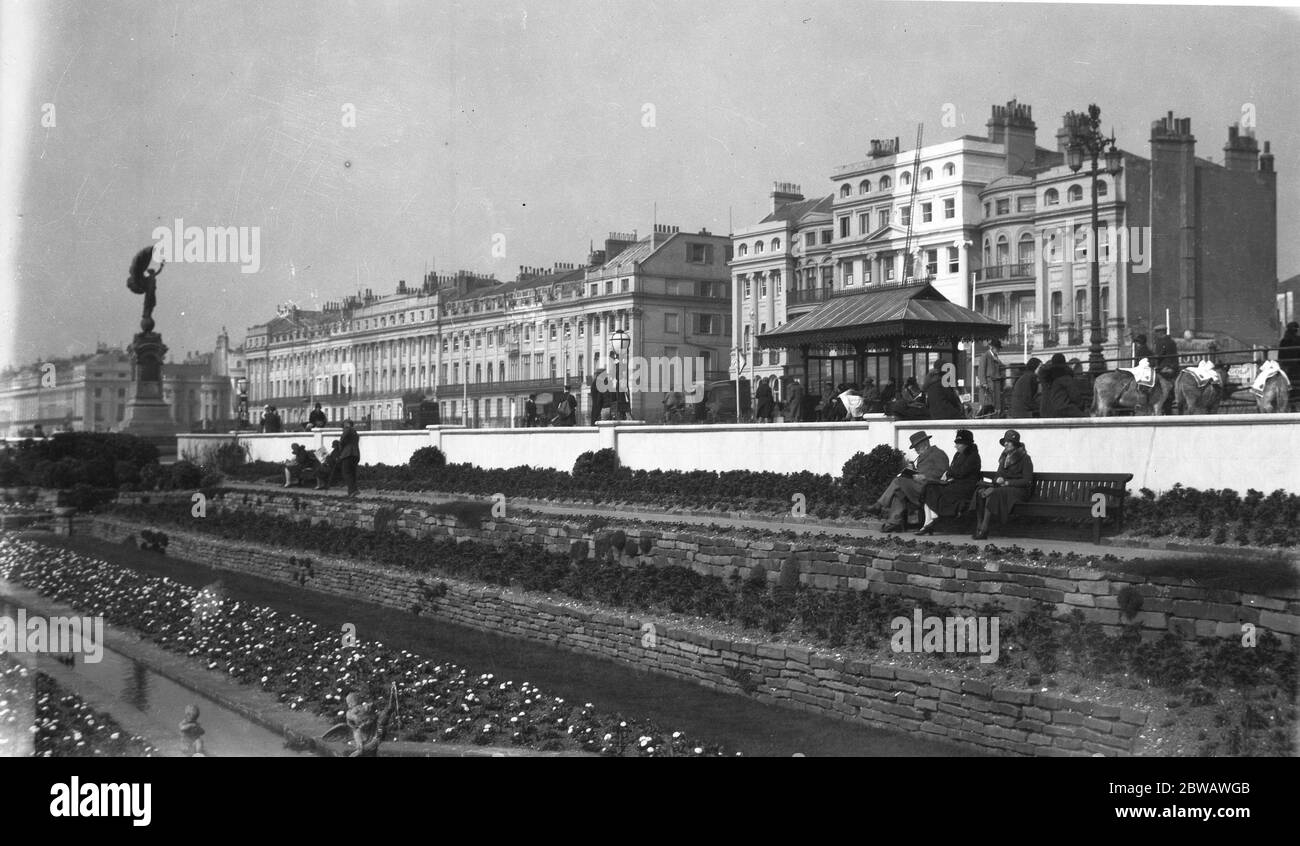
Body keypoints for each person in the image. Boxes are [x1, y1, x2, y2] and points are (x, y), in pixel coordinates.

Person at [871, 430, 950, 532]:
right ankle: (894, 522)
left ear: (925, 444)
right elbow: (923, 471)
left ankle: (879, 505)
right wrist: (913, 471)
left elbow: (942, 472)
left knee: (898, 481)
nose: (916, 450)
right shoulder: (923, 456)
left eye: (917, 447)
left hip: (929, 488)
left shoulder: (938, 454)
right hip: (919, 486)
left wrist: (923, 476)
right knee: (899, 491)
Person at [972, 429, 1034, 540]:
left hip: (1019, 491)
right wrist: (998, 480)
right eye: (1005, 441)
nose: (1005, 444)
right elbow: (997, 476)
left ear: (1015, 444)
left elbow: (1027, 481)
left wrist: (1007, 482)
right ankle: (979, 526)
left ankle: (984, 529)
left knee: (994, 493)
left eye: (1009, 441)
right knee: (980, 492)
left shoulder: (1025, 458)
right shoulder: (1004, 458)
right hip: (1004, 489)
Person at [919, 429, 983, 534]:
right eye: (956, 443)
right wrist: (951, 473)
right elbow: (952, 471)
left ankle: (929, 523)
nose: (956, 446)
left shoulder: (974, 456)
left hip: (966, 487)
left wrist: (951, 473)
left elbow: (961, 472)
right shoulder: (957, 455)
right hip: (955, 484)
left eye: (959, 443)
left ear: (966, 444)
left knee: (936, 490)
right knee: (929, 487)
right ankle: (931, 519)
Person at [1039, 353, 1086, 417]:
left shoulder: (1046, 378)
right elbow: (1075, 397)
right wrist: (1081, 407)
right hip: (1062, 411)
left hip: (1045, 412)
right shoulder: (1066, 378)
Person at [977, 339, 1004, 413]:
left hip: (996, 385)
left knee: (995, 406)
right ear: (992, 347)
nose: (998, 350)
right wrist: (984, 383)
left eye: (999, 348)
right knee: (986, 406)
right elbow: (981, 371)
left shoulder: (996, 358)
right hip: (988, 386)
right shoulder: (985, 356)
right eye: (997, 348)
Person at [339, 419, 361, 496]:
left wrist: (340, 452)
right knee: (352, 473)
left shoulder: (347, 430)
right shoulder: (355, 433)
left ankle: (352, 490)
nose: (343, 427)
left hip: (347, 454)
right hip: (356, 454)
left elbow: (342, 441)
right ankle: (353, 490)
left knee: (346, 472)